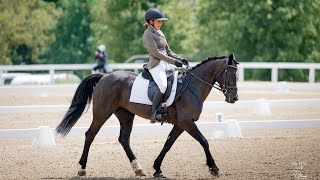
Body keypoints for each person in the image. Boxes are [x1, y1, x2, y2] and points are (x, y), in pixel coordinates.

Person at [143, 8, 189, 123]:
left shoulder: (160, 33)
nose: (161, 23)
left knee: (177, 82)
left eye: (161, 21)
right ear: (151, 21)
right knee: (163, 85)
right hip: (156, 64)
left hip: (166, 63)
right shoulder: (147, 34)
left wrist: (180, 59)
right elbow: (156, 53)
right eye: (159, 21)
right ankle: (154, 113)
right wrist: (174, 62)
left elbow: (168, 51)